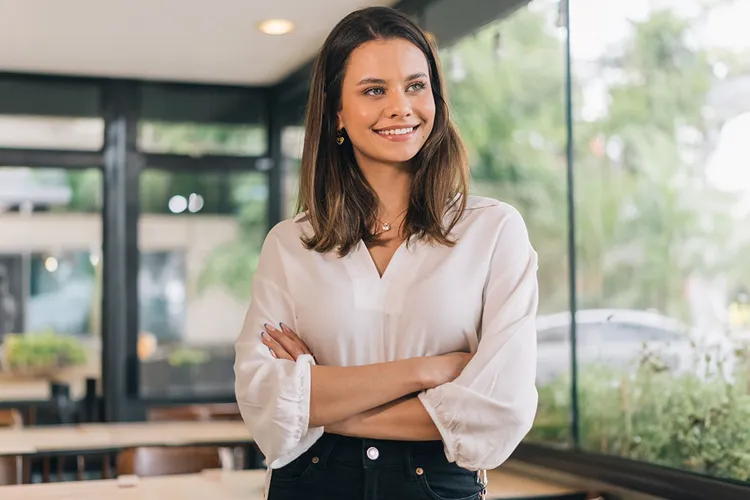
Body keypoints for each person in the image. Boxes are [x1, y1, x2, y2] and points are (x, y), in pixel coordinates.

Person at [234, 6, 539, 500]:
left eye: (416, 86)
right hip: (311, 483)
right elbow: (262, 398)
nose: (401, 107)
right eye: (375, 90)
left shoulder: (495, 232)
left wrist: (319, 401)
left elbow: (500, 409)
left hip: (435, 485)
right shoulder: (289, 244)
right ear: (336, 110)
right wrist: (428, 371)